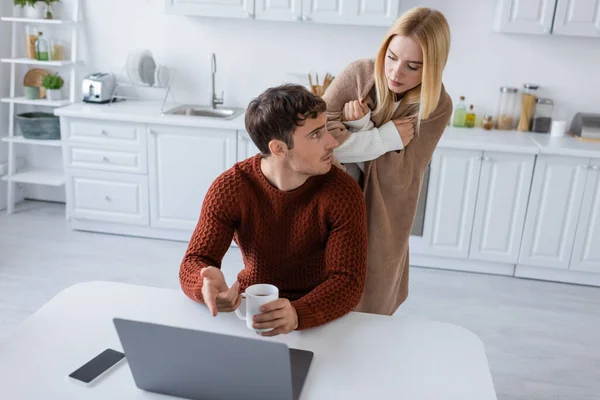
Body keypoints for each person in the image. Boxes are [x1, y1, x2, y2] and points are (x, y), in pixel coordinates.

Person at [179, 84, 368, 336]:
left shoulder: (343, 192)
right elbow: (194, 261)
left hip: (320, 312)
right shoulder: (231, 188)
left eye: (325, 129)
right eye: (315, 134)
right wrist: (204, 286)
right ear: (279, 148)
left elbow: (348, 281)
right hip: (252, 309)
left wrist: (299, 313)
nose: (332, 142)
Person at [322, 7, 453, 315]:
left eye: (413, 66)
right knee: (320, 290)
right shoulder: (358, 74)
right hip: (328, 205)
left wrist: (356, 130)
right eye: (392, 57)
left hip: (384, 215)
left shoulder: (436, 106)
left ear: (432, 68)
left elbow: (401, 173)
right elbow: (315, 143)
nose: (395, 73)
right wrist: (381, 138)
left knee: (369, 303)